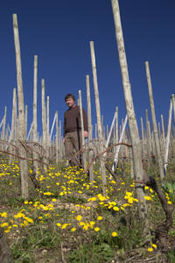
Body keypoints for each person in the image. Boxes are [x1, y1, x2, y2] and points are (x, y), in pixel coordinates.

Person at [63, 93, 88, 168]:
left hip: (77, 132)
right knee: (68, 153)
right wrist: (64, 136)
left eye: (69, 100)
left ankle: (83, 169)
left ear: (74, 101)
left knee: (80, 152)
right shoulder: (66, 113)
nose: (68, 102)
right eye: (66, 101)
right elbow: (64, 125)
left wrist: (86, 130)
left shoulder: (79, 109)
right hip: (67, 134)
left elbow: (85, 119)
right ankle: (75, 169)